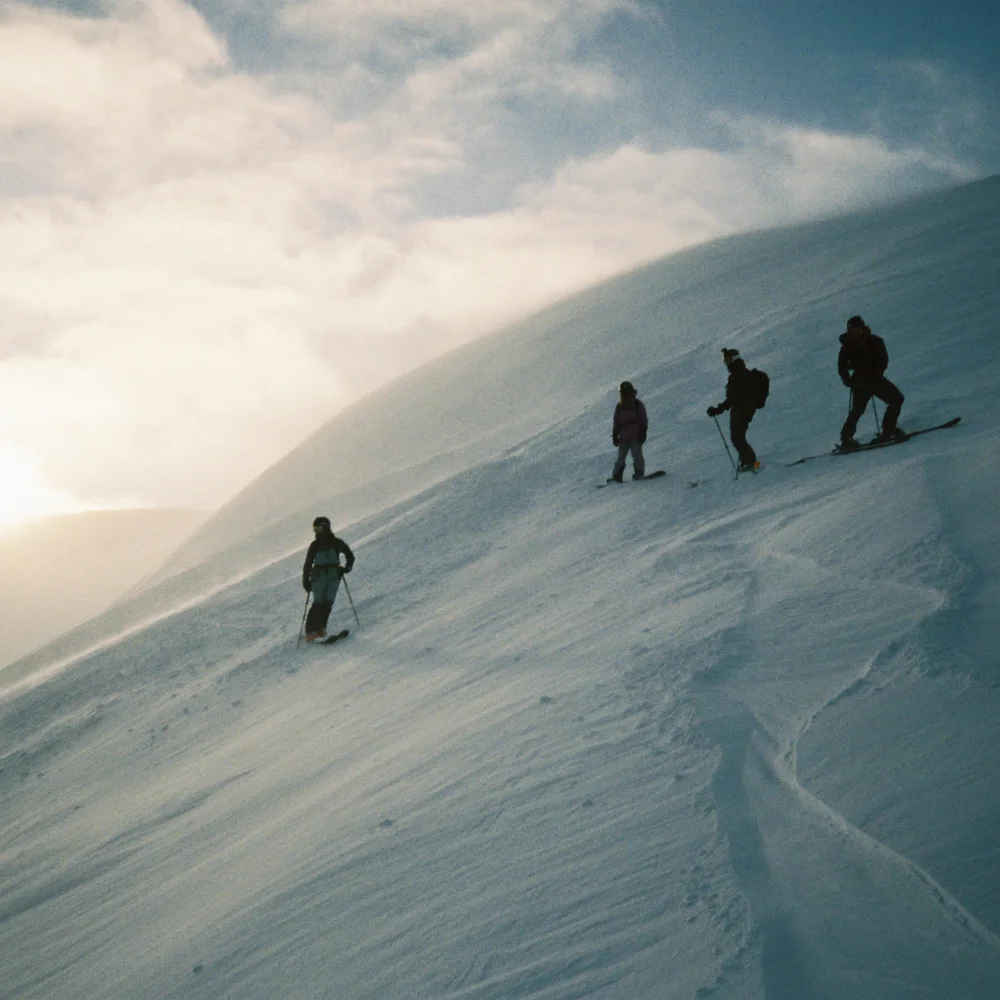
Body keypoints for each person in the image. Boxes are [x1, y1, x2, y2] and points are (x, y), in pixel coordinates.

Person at [837, 315, 905, 449]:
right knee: (858, 410)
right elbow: (842, 365)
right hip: (862, 382)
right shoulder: (848, 346)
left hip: (873, 379)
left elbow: (883, 360)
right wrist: (847, 380)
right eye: (851, 329)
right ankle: (847, 438)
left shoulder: (875, 341)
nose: (853, 332)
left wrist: (877, 372)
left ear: (862, 328)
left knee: (896, 399)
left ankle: (888, 430)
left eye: (855, 329)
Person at [707, 348, 761, 473]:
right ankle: (748, 461)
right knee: (737, 437)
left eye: (728, 360)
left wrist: (719, 409)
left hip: (743, 410)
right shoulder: (736, 375)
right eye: (725, 360)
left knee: (737, 437)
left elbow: (735, 397)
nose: (726, 363)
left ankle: (751, 462)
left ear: (734, 359)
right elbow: (731, 398)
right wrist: (718, 409)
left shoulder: (740, 374)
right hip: (740, 410)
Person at [302, 516, 355, 641]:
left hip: (332, 576)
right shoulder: (316, 545)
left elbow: (350, 556)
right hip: (321, 577)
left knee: (327, 603)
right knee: (318, 603)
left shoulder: (334, 542)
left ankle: (320, 629)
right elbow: (308, 564)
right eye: (315, 529)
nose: (316, 532)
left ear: (325, 527)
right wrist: (306, 581)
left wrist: (346, 568)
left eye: (318, 528)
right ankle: (311, 631)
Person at [610, 380, 648, 482]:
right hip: (624, 438)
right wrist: (615, 435)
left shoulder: (637, 405)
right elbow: (616, 422)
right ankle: (617, 475)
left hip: (635, 436)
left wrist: (643, 431)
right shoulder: (620, 407)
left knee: (636, 455)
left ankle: (639, 472)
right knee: (621, 457)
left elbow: (643, 419)